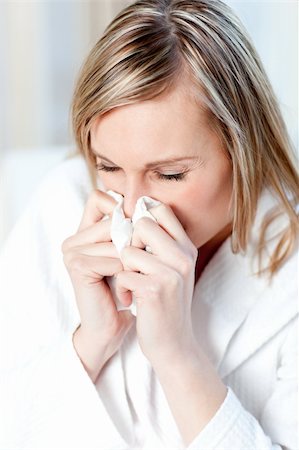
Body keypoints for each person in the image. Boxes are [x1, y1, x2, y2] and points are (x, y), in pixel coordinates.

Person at [0, 0, 298, 449]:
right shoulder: (61, 203)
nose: (131, 206)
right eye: (109, 166)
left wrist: (177, 356)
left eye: (169, 174)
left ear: (243, 149)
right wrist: (92, 340)